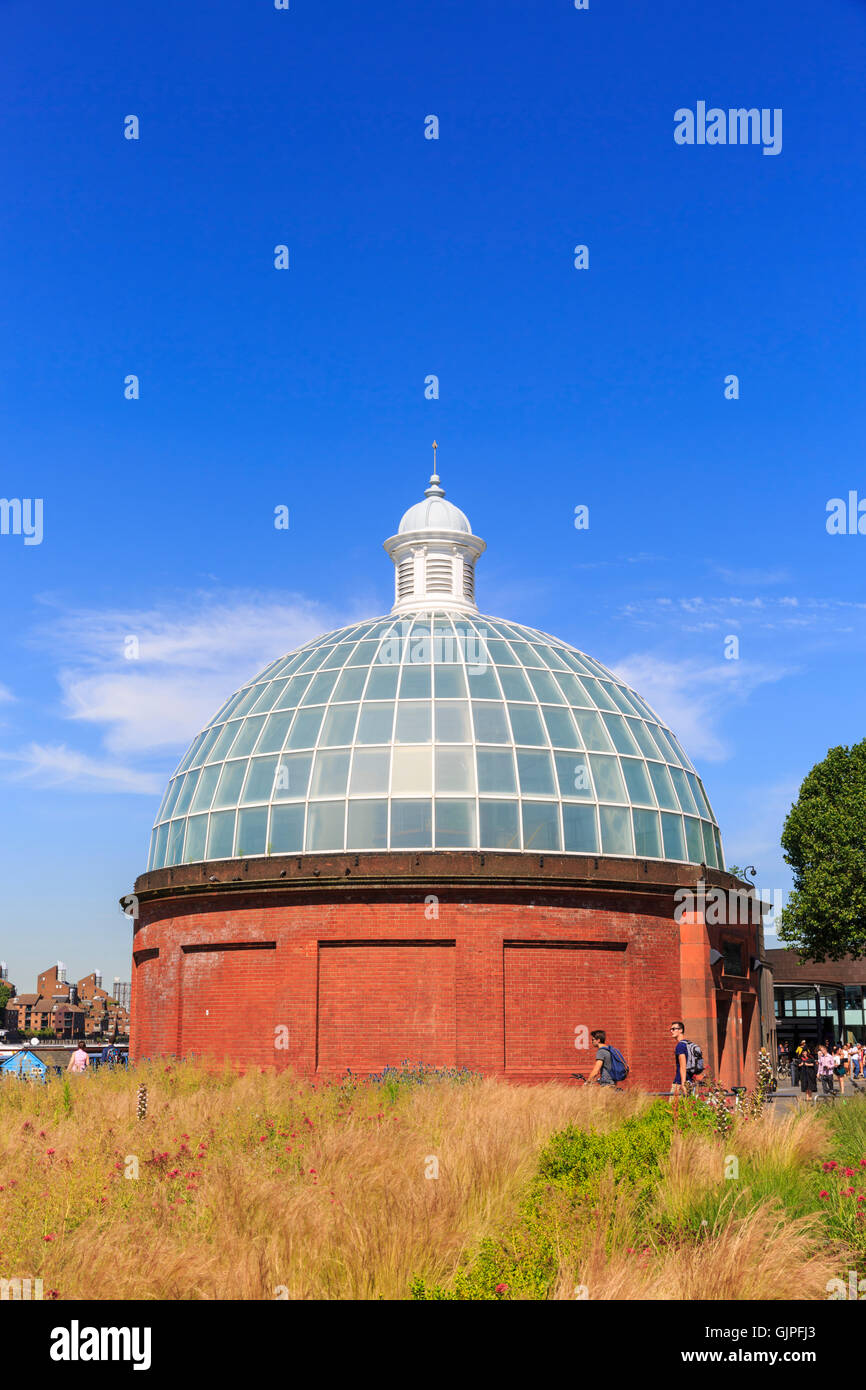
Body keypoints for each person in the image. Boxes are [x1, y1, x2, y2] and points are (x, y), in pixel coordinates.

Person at [670, 1021, 704, 1096]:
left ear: (681, 1030)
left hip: (680, 1082)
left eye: (674, 1029)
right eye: (671, 1029)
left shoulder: (680, 1046)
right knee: (688, 1106)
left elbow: (683, 1066)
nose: (671, 1031)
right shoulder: (688, 1044)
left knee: (673, 1106)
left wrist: (683, 1084)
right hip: (690, 1082)